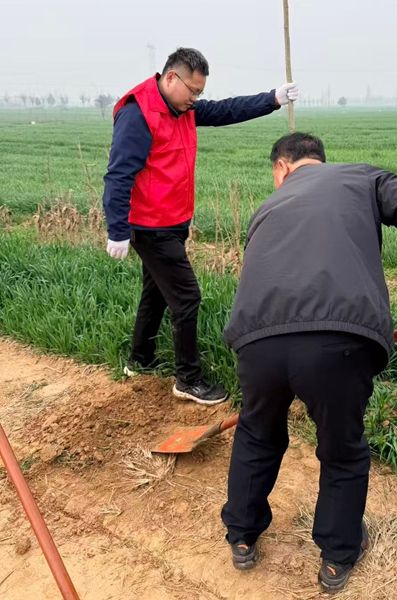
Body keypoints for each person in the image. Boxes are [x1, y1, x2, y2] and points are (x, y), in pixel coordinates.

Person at [221, 132, 397, 593]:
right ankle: (337, 556)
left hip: (256, 340)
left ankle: (242, 535)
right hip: (338, 340)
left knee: (257, 430)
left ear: (282, 168)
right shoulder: (363, 178)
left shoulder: (267, 207)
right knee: (342, 447)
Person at [102, 47, 299, 405]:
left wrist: (273, 98)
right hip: (151, 226)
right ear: (171, 77)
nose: (195, 98)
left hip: (174, 220)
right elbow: (118, 175)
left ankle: (139, 359)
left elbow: (226, 110)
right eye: (192, 90)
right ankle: (188, 378)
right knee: (187, 297)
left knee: (156, 291)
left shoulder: (183, 108)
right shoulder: (139, 113)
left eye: (199, 92)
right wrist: (116, 229)